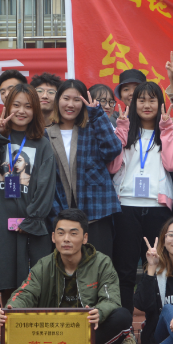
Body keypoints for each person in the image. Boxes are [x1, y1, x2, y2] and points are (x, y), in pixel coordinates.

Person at [0, 209, 132, 344]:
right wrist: (12, 307)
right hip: (53, 333)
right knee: (13, 318)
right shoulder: (44, 265)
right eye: (61, 233)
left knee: (122, 316)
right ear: (53, 237)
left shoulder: (102, 263)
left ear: (85, 238)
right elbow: (26, 292)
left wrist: (99, 312)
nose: (66, 239)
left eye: (73, 234)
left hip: (88, 334)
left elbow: (111, 299)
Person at [109, 81, 173, 344]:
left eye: (152, 100)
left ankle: (154, 328)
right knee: (126, 271)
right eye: (141, 100)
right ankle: (125, 332)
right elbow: (113, 166)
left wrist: (167, 128)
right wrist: (121, 129)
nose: (147, 105)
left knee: (158, 269)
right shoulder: (123, 131)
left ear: (160, 104)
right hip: (126, 207)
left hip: (157, 209)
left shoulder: (168, 133)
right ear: (132, 103)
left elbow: (172, 164)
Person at [0, 83, 56, 299]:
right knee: (2, 280)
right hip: (0, 221)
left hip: (31, 224)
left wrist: (32, 218)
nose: (21, 111)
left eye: (28, 106)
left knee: (34, 282)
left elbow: (46, 185)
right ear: (7, 107)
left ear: (35, 110)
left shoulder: (42, 144)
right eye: (16, 105)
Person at [47, 79, 121, 259]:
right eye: (66, 98)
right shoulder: (46, 134)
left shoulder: (92, 128)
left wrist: (96, 115)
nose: (70, 104)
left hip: (95, 210)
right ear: (58, 101)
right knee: (66, 268)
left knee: (99, 267)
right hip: (60, 211)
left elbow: (113, 149)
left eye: (76, 99)